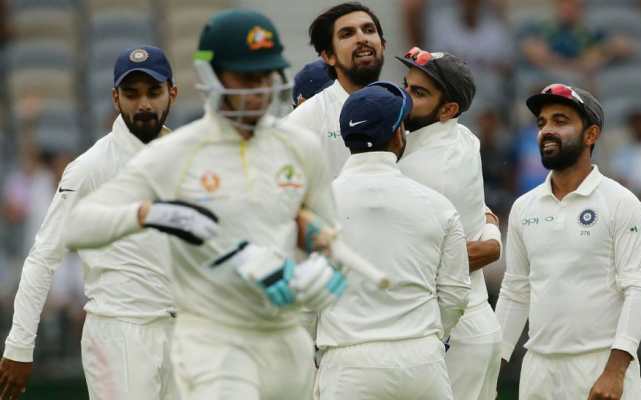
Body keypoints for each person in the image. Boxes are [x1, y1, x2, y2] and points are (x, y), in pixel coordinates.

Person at [64, 10, 347, 400]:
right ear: (213, 77)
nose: (258, 89)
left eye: (266, 76)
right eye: (245, 77)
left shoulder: (300, 147)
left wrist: (320, 276)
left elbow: (330, 242)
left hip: (285, 345)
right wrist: (150, 213)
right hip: (213, 347)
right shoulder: (177, 152)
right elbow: (79, 225)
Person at [0, 45, 180, 400]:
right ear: (115, 98)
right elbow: (43, 257)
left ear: (172, 92)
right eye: (131, 94)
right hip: (120, 333)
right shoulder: (90, 168)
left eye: (153, 92)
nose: (143, 103)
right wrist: (19, 346)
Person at [496, 83, 641, 399]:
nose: (547, 131)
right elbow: (515, 291)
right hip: (538, 371)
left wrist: (615, 371)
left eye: (560, 121)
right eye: (542, 123)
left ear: (591, 135)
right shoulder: (523, 207)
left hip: (601, 366)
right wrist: (489, 367)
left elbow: (638, 289)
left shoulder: (622, 203)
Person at [317, 80, 470, 400]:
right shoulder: (438, 206)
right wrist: (428, 338)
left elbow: (302, 295)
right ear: (399, 134)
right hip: (421, 360)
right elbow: (455, 295)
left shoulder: (316, 207)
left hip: (348, 362)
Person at [396, 47, 503, 400]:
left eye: (419, 93)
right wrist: (490, 231)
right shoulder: (465, 138)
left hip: (455, 331)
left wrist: (490, 240)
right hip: (473, 321)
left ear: (449, 109)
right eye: (406, 86)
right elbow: (480, 211)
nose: (405, 98)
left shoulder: (420, 169)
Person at [286, 1, 386, 177]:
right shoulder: (303, 121)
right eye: (347, 34)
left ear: (383, 45)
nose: (362, 38)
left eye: (369, 30)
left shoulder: (404, 108)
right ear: (329, 56)